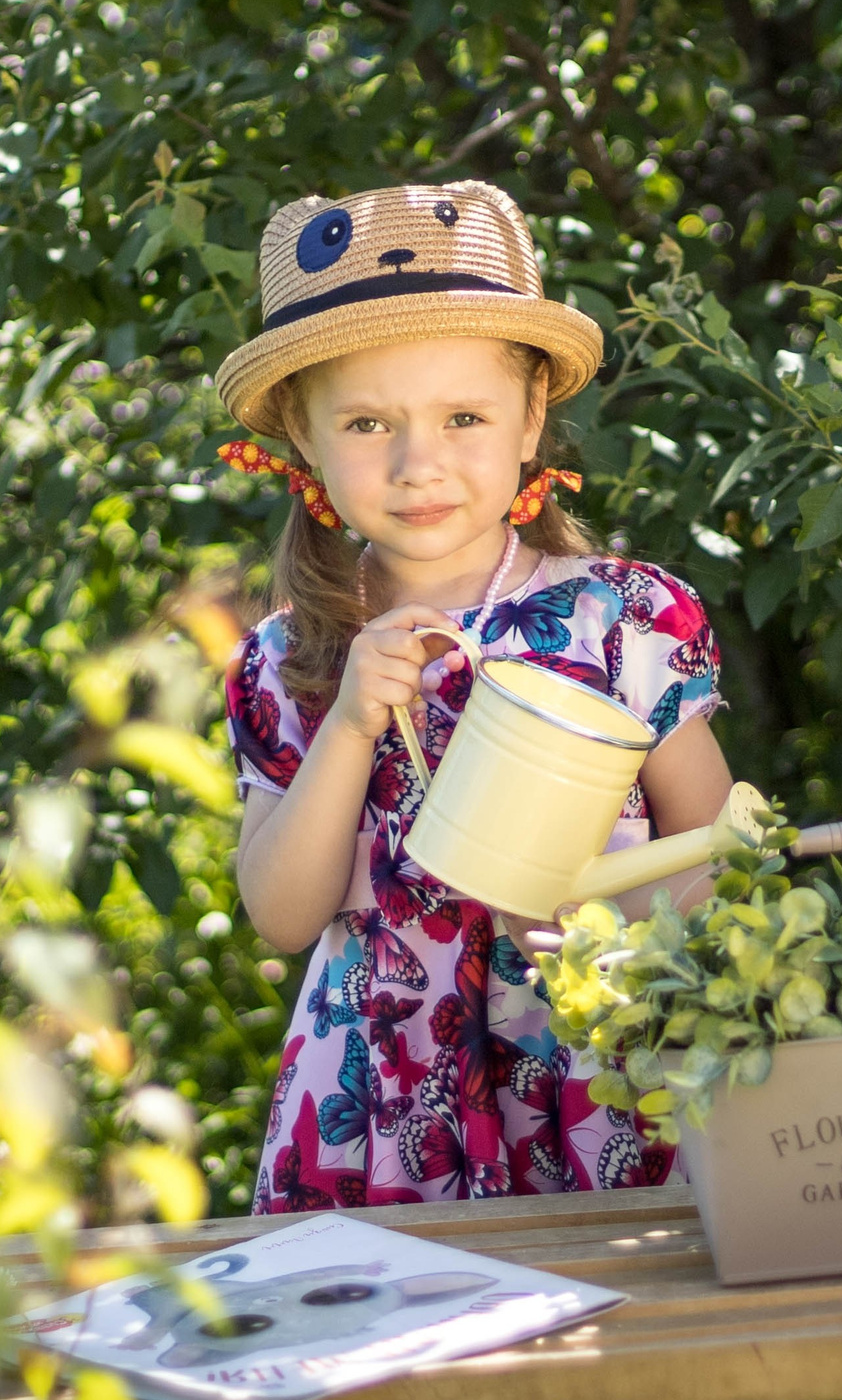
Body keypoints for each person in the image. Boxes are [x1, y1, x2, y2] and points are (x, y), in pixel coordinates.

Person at [214, 181, 735, 1215]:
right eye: (367, 422)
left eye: (464, 416)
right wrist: (354, 720)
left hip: (604, 1069)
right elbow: (281, 914)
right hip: (381, 1090)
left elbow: (721, 857)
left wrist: (608, 919)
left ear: (532, 416)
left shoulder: (618, 619)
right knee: (404, 1362)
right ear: (302, 437)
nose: (420, 464)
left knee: (634, 1360)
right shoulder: (295, 656)